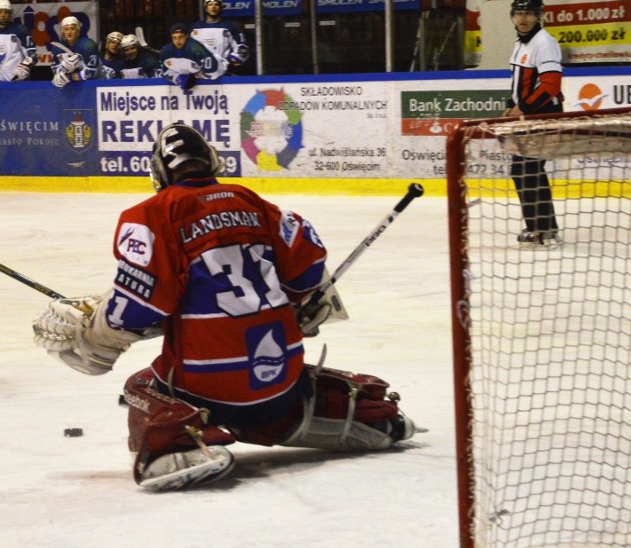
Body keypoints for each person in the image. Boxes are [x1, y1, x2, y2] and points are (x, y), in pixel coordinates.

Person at [32, 123, 418, 491]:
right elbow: (309, 274)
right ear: (213, 163)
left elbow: (137, 307)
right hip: (281, 382)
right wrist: (299, 304)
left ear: (160, 175)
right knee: (275, 388)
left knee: (141, 386)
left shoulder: (153, 214)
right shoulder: (254, 203)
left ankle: (178, 448)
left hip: (212, 390)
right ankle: (361, 417)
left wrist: (98, 330)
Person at [502, 0, 563, 247]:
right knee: (528, 169)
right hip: (529, 116)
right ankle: (543, 227)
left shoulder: (544, 42)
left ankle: (543, 229)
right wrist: (512, 107)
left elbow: (550, 85)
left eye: (528, 13)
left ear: (538, 16)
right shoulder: (521, 42)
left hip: (543, 115)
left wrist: (523, 109)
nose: (523, 18)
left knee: (525, 168)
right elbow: (522, 83)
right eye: (519, 13)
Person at [191, 0, 249, 74]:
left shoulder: (230, 27)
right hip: (200, 76)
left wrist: (229, 65)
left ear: (221, 8)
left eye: (216, 4)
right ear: (206, 8)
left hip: (223, 75)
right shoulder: (195, 28)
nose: (213, 7)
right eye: (210, 4)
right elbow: (188, 50)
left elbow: (243, 49)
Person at [159, 23, 225, 93]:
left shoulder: (195, 49)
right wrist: (179, 79)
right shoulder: (166, 51)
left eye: (181, 37)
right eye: (174, 38)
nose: (177, 41)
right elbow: (165, 71)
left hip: (219, 79)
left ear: (187, 36)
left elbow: (213, 70)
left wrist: (196, 76)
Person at [0, 0, 36, 81]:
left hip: (16, 82)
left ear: (10, 13)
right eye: (0, 12)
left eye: (6, 12)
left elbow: (32, 54)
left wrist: (22, 70)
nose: (3, 15)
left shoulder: (20, 30)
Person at [50, 15, 99, 89]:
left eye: (72, 29)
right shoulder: (57, 48)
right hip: (68, 90)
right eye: (66, 29)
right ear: (63, 32)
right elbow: (54, 69)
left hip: (90, 87)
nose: (69, 32)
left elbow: (92, 73)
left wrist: (69, 76)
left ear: (78, 31)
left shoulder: (88, 46)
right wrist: (62, 69)